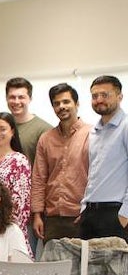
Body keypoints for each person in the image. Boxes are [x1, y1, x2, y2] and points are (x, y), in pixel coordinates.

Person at [30, 82, 89, 243]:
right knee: (53, 267)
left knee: (83, 267)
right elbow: (39, 178)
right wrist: (37, 215)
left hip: (81, 216)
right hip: (53, 218)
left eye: (66, 102)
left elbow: (97, 177)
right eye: (57, 104)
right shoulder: (46, 138)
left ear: (76, 104)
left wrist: (89, 211)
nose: (61, 106)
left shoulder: (92, 134)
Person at [81, 74, 128, 242]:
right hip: (91, 212)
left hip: (115, 213)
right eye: (95, 96)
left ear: (119, 96)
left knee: (118, 269)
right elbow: (94, 172)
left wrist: (125, 214)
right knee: (88, 268)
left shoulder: (125, 126)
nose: (99, 99)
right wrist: (84, 208)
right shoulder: (94, 131)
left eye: (105, 95)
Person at [5, 77, 52, 165]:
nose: (16, 101)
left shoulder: (44, 130)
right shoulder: (0, 128)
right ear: (6, 98)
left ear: (30, 99)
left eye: (21, 97)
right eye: (12, 97)